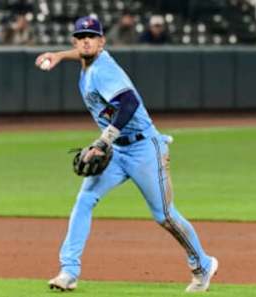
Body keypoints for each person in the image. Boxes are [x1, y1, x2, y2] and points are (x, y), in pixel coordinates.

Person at [35, 16, 218, 293]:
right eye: (81, 36)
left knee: (165, 216)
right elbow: (83, 54)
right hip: (117, 150)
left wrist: (103, 140)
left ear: (102, 41)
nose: (86, 40)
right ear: (75, 40)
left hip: (145, 148)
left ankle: (202, 264)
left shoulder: (103, 70)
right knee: (84, 200)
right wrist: (60, 55)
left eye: (92, 36)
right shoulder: (89, 62)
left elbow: (129, 102)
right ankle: (68, 271)